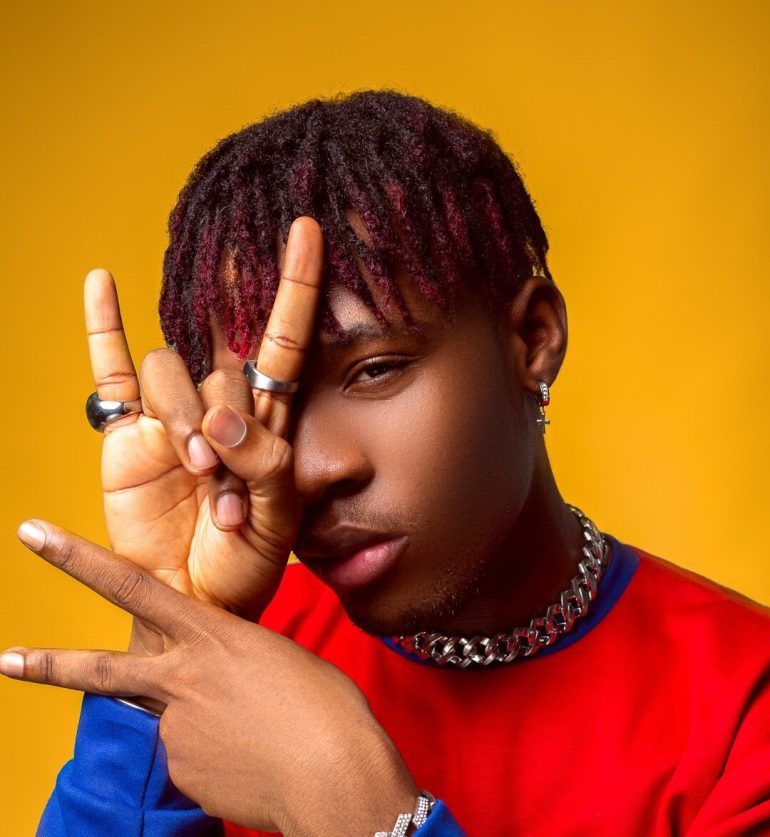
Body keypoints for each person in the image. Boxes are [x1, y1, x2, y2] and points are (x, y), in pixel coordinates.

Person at [2, 90, 769, 836]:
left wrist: (358, 806)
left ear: (532, 339)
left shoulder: (744, 707)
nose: (312, 467)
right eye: (268, 400)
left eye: (375, 370)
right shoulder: (239, 659)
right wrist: (175, 632)